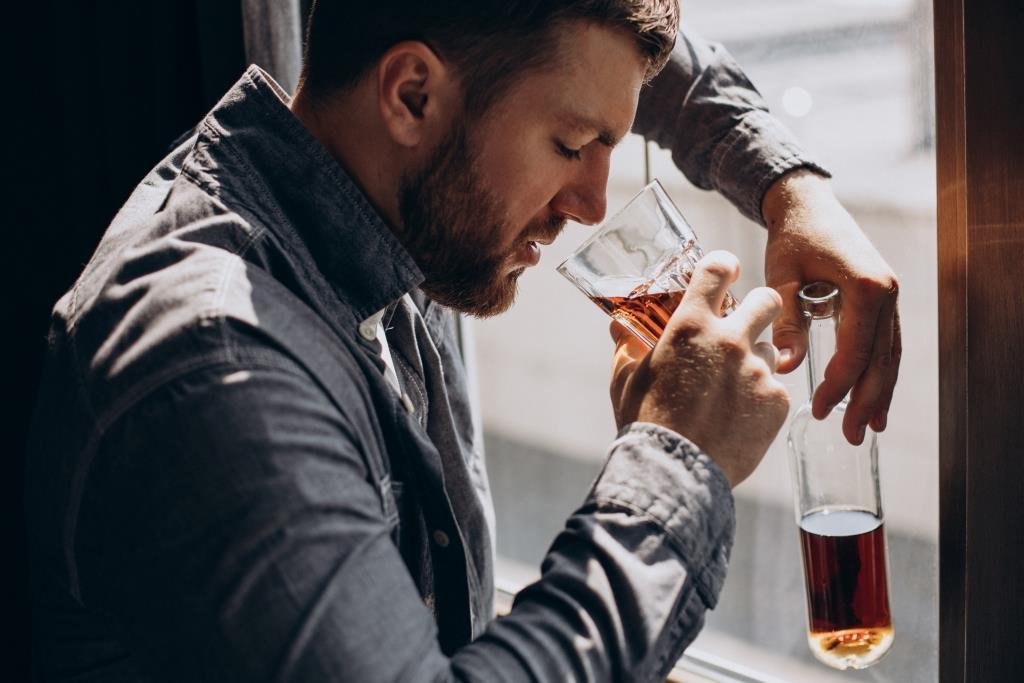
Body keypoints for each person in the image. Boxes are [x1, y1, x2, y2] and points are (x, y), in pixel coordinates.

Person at [25, 1, 899, 681]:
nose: (593, 204)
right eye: (570, 145)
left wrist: (788, 185)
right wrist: (675, 459)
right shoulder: (217, 373)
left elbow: (572, 51)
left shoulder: (391, 197)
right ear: (412, 94)